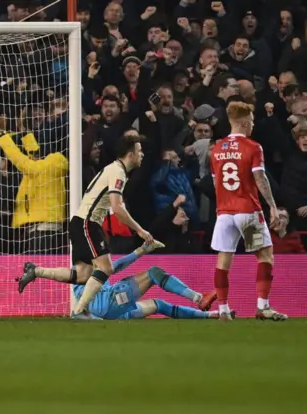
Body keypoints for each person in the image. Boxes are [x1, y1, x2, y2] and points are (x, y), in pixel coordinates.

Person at [17, 134, 154, 319]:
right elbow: (117, 207)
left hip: (82, 223)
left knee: (82, 275)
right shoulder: (118, 172)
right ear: (130, 154)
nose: (143, 155)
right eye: (139, 151)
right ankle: (79, 311)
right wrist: (140, 230)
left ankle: (37, 271)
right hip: (87, 224)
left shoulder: (114, 169)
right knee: (105, 269)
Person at [209, 102, 288, 321]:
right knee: (265, 255)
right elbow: (260, 178)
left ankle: (223, 310)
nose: (252, 124)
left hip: (224, 213)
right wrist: (272, 206)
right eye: (251, 121)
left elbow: (216, 183)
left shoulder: (215, 150)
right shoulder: (253, 147)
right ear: (244, 122)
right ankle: (263, 306)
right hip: (247, 212)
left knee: (223, 260)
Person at [20, 242, 223, 320]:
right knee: (153, 273)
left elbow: (115, 267)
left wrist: (140, 251)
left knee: (158, 305)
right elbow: (115, 267)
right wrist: (140, 251)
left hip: (112, 312)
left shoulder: (80, 268)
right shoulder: (86, 264)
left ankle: (209, 315)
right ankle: (198, 298)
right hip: (107, 301)